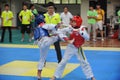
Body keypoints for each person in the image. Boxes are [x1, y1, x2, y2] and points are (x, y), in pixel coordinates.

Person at [50, 16, 96, 80]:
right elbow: (60, 31)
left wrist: (81, 33)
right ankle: (55, 76)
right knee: (63, 61)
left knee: (84, 62)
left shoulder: (82, 29)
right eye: (72, 22)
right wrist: (65, 38)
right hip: (71, 47)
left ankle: (91, 76)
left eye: (74, 22)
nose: (72, 23)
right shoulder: (70, 28)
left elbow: (87, 38)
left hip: (79, 48)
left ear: (78, 22)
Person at [35, 14, 62, 80]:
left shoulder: (37, 27)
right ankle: (69, 39)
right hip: (45, 41)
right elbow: (54, 26)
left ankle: (39, 74)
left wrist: (53, 34)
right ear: (41, 19)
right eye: (44, 18)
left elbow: (41, 36)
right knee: (59, 35)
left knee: (42, 59)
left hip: (40, 43)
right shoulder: (44, 25)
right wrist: (58, 25)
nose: (45, 19)